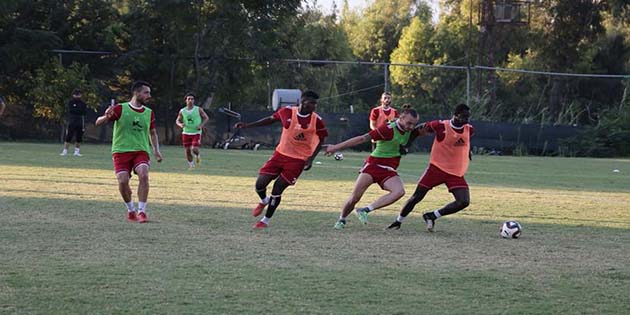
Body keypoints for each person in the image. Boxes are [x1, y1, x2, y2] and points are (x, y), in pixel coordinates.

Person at [235, 90, 328, 229]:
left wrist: (311, 158)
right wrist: (248, 125)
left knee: (277, 189)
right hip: (280, 155)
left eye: (315, 104)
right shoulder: (287, 112)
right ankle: (264, 201)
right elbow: (270, 120)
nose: (314, 106)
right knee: (260, 184)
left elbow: (322, 139)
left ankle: (265, 221)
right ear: (302, 101)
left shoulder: (317, 120)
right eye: (311, 103)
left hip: (298, 160)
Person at [325, 106, 420, 229]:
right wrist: (336, 147)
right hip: (373, 165)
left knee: (399, 192)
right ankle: (342, 219)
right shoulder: (387, 129)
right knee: (355, 197)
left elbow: (426, 129)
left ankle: (365, 210)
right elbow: (362, 138)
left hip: (389, 169)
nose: (411, 127)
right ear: (401, 118)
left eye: (414, 124)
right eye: (409, 123)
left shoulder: (411, 131)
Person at [386, 104, 473, 232]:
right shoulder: (440, 125)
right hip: (436, 169)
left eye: (468, 117)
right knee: (417, 197)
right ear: (455, 115)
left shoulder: (469, 129)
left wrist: (468, 150)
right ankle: (398, 221)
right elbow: (416, 131)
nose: (466, 120)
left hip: (456, 172)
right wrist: (407, 145)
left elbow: (464, 140)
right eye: (463, 117)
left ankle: (431, 216)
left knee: (464, 201)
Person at [95, 81, 163, 223]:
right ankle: (131, 210)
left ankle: (142, 212)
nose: (149, 96)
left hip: (141, 150)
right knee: (123, 181)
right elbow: (98, 122)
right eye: (146, 92)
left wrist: (156, 150)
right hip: (121, 151)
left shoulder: (149, 113)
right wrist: (106, 116)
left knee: (144, 174)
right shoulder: (120, 109)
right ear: (136, 93)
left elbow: (153, 133)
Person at [175, 92, 209, 169]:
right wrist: (180, 125)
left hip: (196, 132)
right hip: (186, 132)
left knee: (194, 148)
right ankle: (191, 165)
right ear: (186, 101)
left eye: (192, 99)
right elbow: (177, 120)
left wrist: (201, 125)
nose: (190, 100)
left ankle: (197, 155)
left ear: (194, 100)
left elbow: (206, 118)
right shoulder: (182, 111)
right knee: (187, 150)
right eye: (188, 99)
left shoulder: (198, 109)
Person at [60, 89, 87, 156]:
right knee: (69, 136)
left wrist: (78, 111)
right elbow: (71, 110)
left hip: (80, 121)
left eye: (79, 94)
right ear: (73, 95)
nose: (77, 96)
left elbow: (84, 112)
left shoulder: (83, 103)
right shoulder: (71, 102)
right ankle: (65, 151)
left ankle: (76, 152)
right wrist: (78, 111)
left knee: (79, 137)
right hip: (72, 121)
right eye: (76, 94)